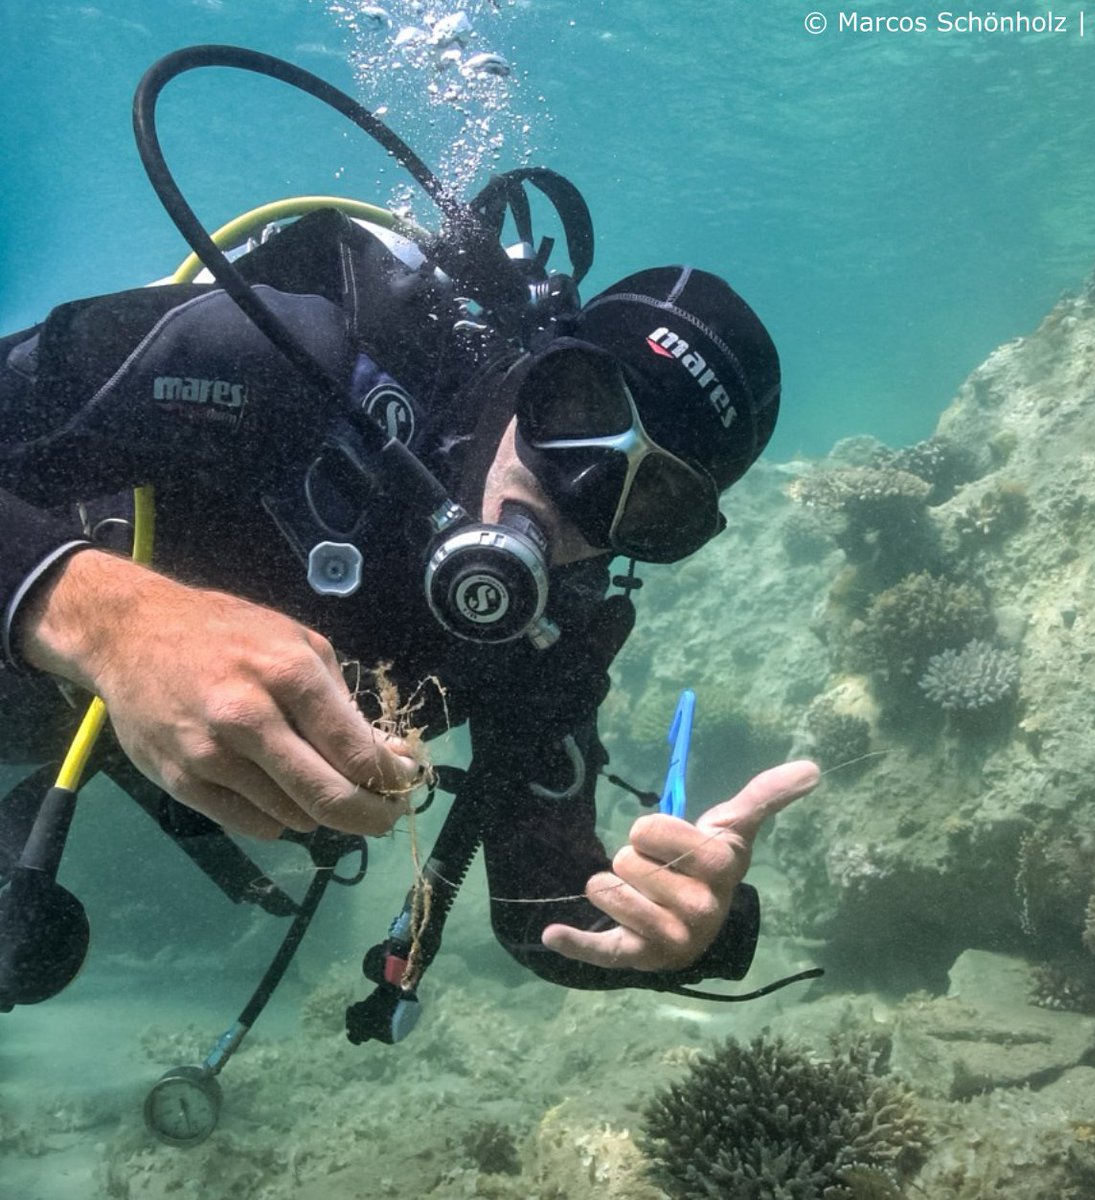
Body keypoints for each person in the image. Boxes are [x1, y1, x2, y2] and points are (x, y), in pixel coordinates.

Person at [0, 205, 820, 998]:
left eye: (649, 501)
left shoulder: (552, 636)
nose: (577, 488)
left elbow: (552, 910)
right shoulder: (281, 358)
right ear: (542, 360)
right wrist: (115, 624)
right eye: (581, 409)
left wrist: (690, 931)